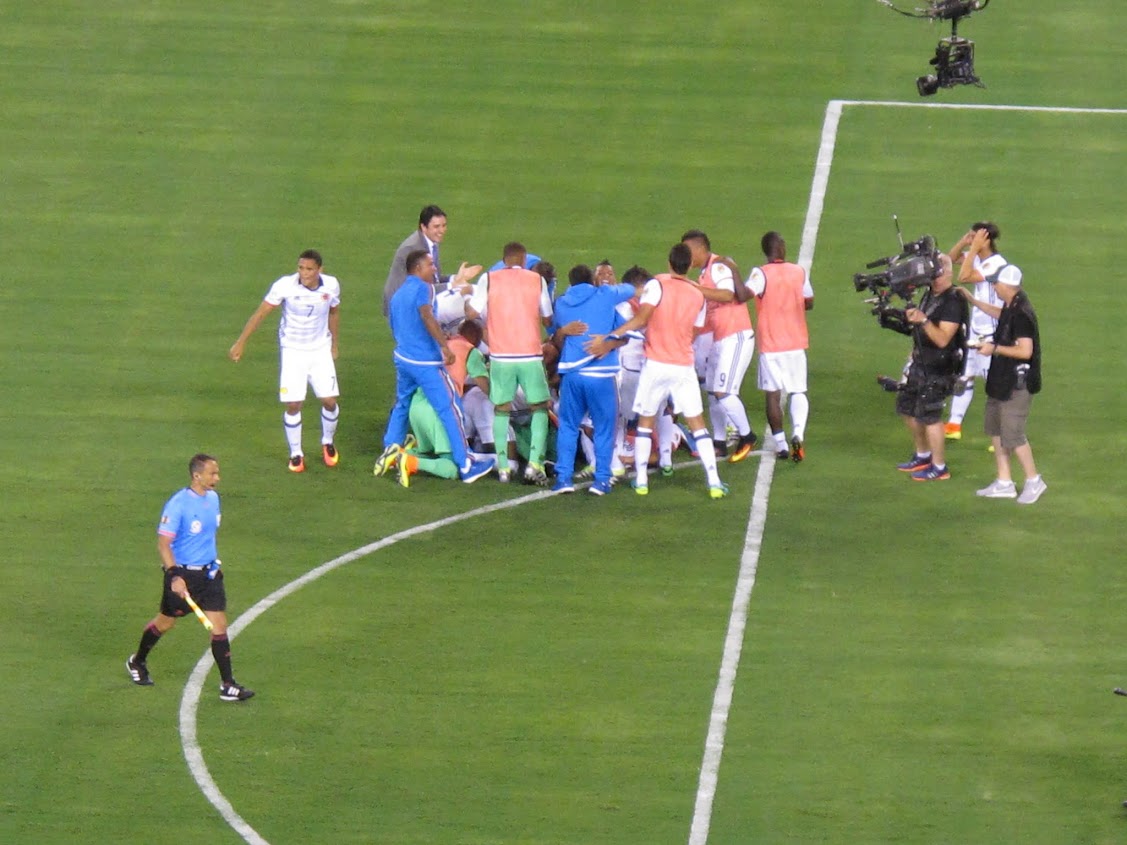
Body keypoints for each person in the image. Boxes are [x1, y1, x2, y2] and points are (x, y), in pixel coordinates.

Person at [587, 243, 728, 499]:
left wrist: (609, 338)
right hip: (683, 365)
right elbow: (695, 330)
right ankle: (714, 482)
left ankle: (641, 481)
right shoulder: (698, 294)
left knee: (645, 422)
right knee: (697, 424)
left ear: (669, 263)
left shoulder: (657, 285)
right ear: (688, 265)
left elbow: (641, 319)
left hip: (655, 364)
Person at [126, 454, 254, 702]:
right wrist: (174, 575)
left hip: (209, 575)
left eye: (217, 473)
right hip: (181, 576)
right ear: (197, 476)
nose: (217, 478)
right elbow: (164, 544)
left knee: (219, 627)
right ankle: (137, 661)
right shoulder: (178, 505)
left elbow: (205, 537)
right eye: (212, 473)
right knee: (165, 623)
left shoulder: (214, 499)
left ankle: (228, 685)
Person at [374, 250, 494, 484]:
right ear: (418, 269)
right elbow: (427, 315)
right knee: (451, 408)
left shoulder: (398, 295)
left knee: (402, 403)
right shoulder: (424, 289)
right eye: (430, 265)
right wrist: (444, 346)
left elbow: (396, 323)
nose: (435, 268)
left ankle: (391, 446)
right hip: (425, 361)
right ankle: (466, 464)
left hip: (403, 357)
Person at [229, 249, 341, 473]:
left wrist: (334, 344)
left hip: (319, 349)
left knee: (329, 400)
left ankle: (327, 442)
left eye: (309, 269)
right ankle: (296, 453)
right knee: (293, 404)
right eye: (301, 268)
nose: (304, 273)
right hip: (293, 350)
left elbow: (334, 311)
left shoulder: (331, 286)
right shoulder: (285, 286)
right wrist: (241, 341)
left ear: (320, 270)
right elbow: (261, 313)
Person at [466, 242, 554, 484]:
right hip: (530, 356)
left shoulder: (489, 279)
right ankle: (534, 463)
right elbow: (548, 319)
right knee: (540, 407)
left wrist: (466, 298)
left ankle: (504, 468)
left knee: (501, 409)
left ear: (504, 260)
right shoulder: (536, 280)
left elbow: (472, 314)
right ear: (524, 260)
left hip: (501, 357)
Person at [962, 264, 1047, 503]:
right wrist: (973, 301)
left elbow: (1025, 351)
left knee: (1014, 434)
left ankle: (1034, 480)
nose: (993, 286)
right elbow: (1001, 315)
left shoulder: (1022, 313)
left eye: (996, 283)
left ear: (1007, 285)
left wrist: (994, 348)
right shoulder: (1013, 304)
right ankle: (1004, 482)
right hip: (1001, 380)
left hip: (1016, 384)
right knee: (997, 430)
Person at [549, 264, 636, 495]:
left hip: (572, 376)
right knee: (605, 429)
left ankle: (563, 479)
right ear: (592, 280)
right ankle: (601, 481)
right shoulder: (605, 296)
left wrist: (564, 332)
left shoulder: (562, 303)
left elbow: (556, 339)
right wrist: (609, 343)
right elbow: (630, 291)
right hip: (601, 376)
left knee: (567, 426)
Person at [681, 230, 758, 462]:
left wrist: (695, 289)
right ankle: (719, 441)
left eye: (687, 251)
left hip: (736, 336)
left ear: (699, 249)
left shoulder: (718, 267)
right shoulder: (706, 272)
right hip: (720, 338)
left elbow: (727, 294)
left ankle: (747, 436)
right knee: (713, 391)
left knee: (724, 392)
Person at [894, 253, 969, 481]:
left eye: (935, 273)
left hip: (939, 367)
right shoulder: (930, 294)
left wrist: (923, 320)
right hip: (921, 362)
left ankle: (939, 466)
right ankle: (923, 454)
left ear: (948, 273)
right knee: (907, 408)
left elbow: (943, 339)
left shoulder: (953, 300)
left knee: (931, 416)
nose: (932, 278)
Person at [747, 231, 814, 462]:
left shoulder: (760, 273)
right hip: (795, 341)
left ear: (766, 251)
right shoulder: (798, 271)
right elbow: (809, 301)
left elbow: (745, 294)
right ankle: (798, 433)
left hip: (770, 343)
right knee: (798, 390)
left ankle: (781, 444)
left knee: (772, 395)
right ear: (782, 247)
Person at [944, 222, 1006, 440]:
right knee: (964, 376)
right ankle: (953, 425)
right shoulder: (978, 258)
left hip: (991, 330)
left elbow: (964, 277)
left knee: (994, 385)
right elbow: (949, 261)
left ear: (986, 239)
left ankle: (1000, 436)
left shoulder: (996, 264)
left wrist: (972, 250)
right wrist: (964, 242)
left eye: (977, 236)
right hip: (976, 327)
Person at [381, 204, 482, 317]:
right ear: (423, 227)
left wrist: (456, 278)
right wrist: (453, 285)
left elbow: (435, 278)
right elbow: (422, 287)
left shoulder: (431, 242)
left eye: (444, 225)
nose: (442, 230)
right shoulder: (413, 249)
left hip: (415, 300)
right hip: (403, 306)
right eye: (436, 226)